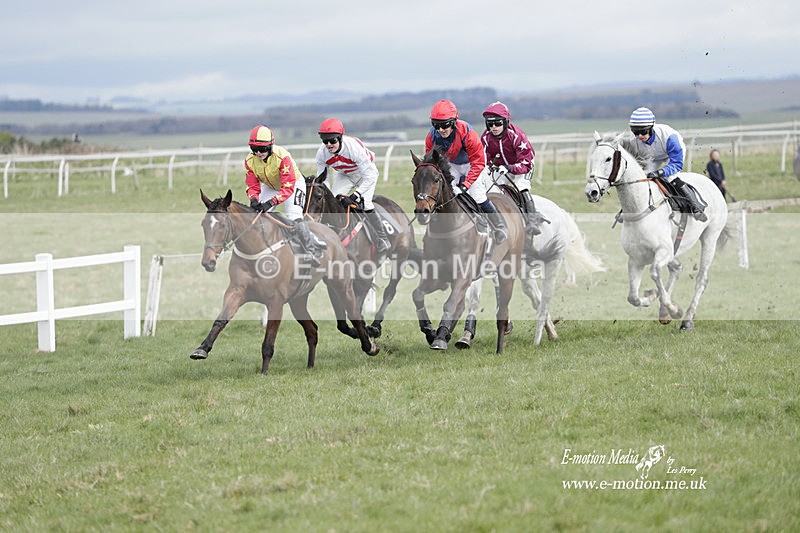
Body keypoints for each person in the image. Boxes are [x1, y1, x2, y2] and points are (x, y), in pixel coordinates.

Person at [424, 99, 508, 243]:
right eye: (436, 125)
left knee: (477, 194)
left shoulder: (467, 132)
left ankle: (499, 226)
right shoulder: (432, 136)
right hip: (452, 164)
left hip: (473, 163)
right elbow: (431, 162)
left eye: (445, 125)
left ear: (454, 122)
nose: (441, 130)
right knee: (442, 192)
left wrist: (465, 185)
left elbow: (478, 162)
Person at [245, 125, 324, 266]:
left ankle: (311, 251)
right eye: (254, 149)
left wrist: (271, 202)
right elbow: (252, 185)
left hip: (293, 184)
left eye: (262, 149)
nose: (258, 153)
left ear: (270, 146)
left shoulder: (282, 156)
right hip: (271, 186)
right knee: (257, 215)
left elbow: (287, 188)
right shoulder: (249, 161)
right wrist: (254, 199)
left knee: (293, 217)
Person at [315, 118, 390, 253]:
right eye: (325, 141)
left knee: (365, 203)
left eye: (332, 141)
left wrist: (355, 195)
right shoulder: (321, 153)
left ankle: (382, 238)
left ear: (340, 138)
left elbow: (371, 175)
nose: (329, 145)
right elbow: (323, 180)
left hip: (365, 174)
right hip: (344, 175)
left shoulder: (353, 148)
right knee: (333, 202)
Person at [624, 107, 707, 221]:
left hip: (670, 154)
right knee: (643, 177)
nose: (639, 136)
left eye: (643, 132)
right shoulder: (634, 141)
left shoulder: (670, 137)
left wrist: (661, 172)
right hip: (653, 156)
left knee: (670, 177)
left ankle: (695, 206)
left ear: (651, 127)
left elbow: (676, 164)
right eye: (636, 132)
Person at [481, 101, 548, 238]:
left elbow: (525, 163)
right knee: (488, 186)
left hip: (523, 164)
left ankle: (532, 220)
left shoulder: (516, 135)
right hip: (501, 168)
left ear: (505, 122)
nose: (494, 127)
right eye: (490, 124)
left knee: (521, 185)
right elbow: (484, 159)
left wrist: (509, 167)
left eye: (498, 123)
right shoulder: (485, 138)